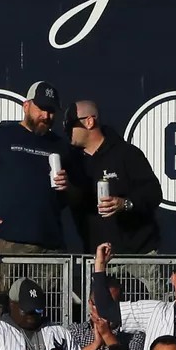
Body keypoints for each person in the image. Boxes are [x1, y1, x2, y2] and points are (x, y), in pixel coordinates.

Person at [0, 81, 80, 254]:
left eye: (51, 111)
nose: (46, 115)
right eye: (41, 108)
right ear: (26, 106)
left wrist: (68, 186)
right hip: (8, 244)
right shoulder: (0, 136)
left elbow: (77, 195)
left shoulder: (61, 146)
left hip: (51, 247)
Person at [65, 99, 163, 253]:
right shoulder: (74, 163)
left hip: (138, 257)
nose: (67, 129)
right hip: (97, 260)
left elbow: (154, 193)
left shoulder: (127, 154)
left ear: (89, 122)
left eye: (71, 124)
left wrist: (125, 203)